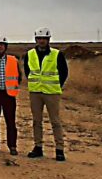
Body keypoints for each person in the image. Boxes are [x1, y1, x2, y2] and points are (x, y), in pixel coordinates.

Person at [23, 28, 69, 161]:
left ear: (48, 40)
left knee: (55, 121)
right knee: (37, 121)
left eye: (44, 38)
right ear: (36, 39)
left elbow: (63, 73)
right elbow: (28, 71)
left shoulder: (57, 54)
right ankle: (38, 147)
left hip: (52, 93)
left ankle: (59, 149)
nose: (42, 41)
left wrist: (56, 86)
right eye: (39, 38)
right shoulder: (30, 54)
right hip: (35, 92)